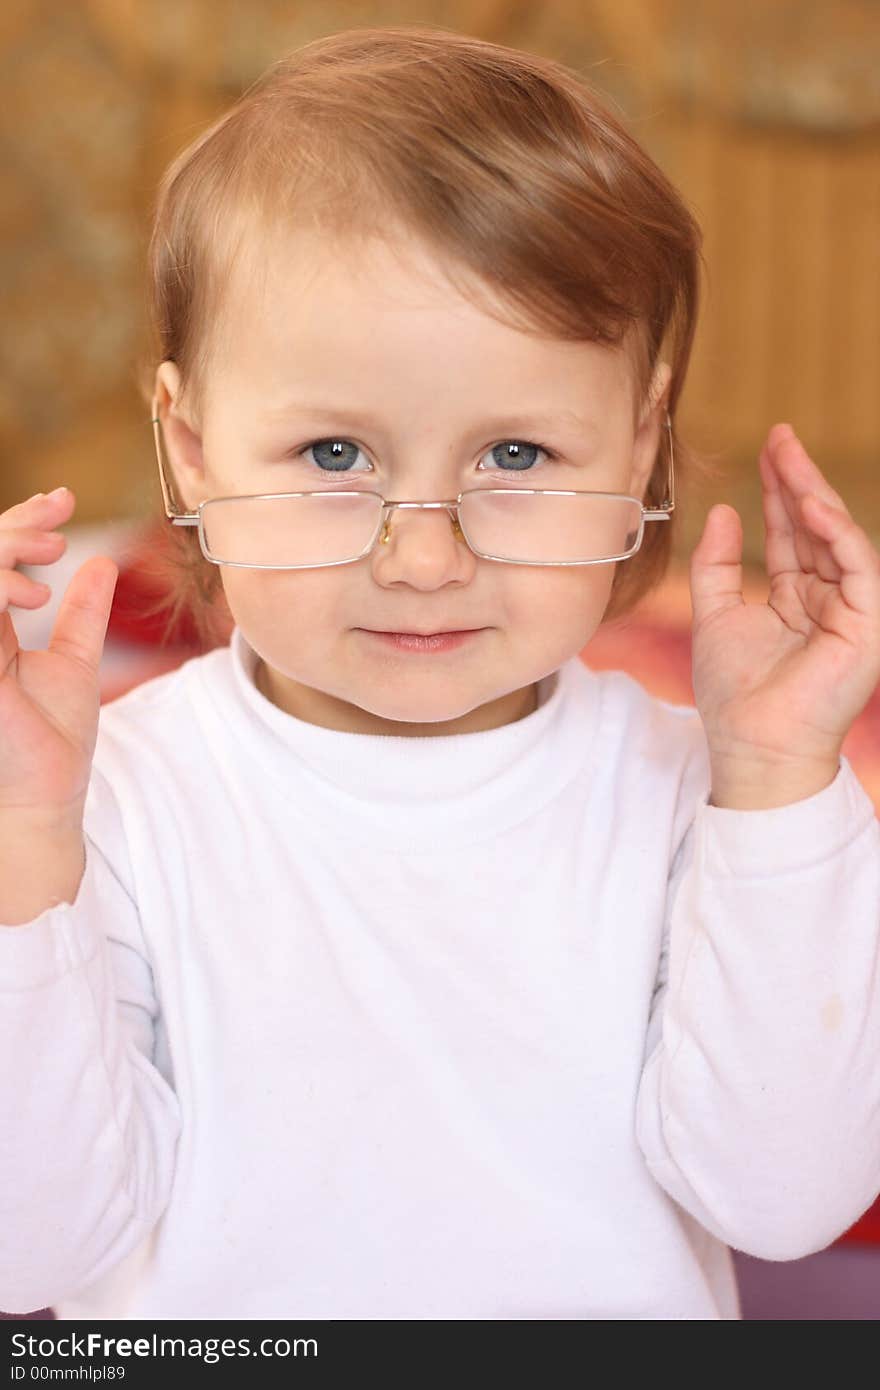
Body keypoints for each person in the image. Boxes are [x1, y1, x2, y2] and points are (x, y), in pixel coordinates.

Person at [1, 26, 879, 1323]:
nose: (423, 557)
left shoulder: (713, 793)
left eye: (516, 455)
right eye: (333, 451)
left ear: (641, 446)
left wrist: (784, 784)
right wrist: (23, 842)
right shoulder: (102, 809)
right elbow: (34, 1252)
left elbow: (786, 1200)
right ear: (189, 451)